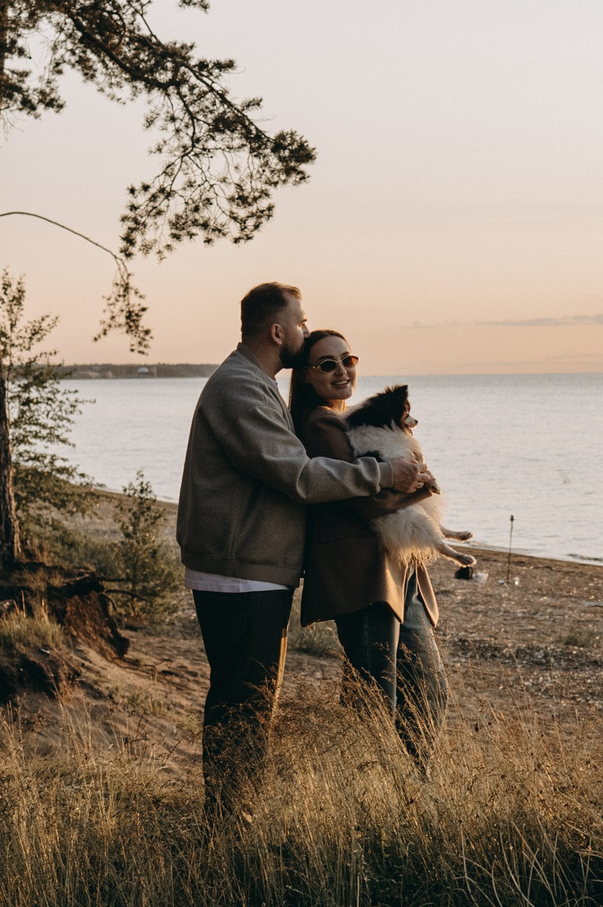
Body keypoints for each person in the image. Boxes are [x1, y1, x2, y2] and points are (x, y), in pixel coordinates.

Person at [176, 283, 426, 815]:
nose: (306, 332)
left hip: (252, 569)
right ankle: (229, 823)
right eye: (302, 323)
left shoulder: (253, 383)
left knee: (246, 698)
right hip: (242, 573)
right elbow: (299, 476)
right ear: (277, 331)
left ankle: (232, 816)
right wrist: (382, 471)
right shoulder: (241, 388)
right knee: (244, 700)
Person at [289, 329, 449, 761]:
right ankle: (390, 792)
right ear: (306, 376)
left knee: (416, 692)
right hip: (365, 581)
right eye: (327, 364)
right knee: (386, 697)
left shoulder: (348, 422)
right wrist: (420, 487)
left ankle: (407, 791)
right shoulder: (322, 424)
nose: (342, 370)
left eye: (348, 360)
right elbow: (365, 502)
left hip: (388, 575)